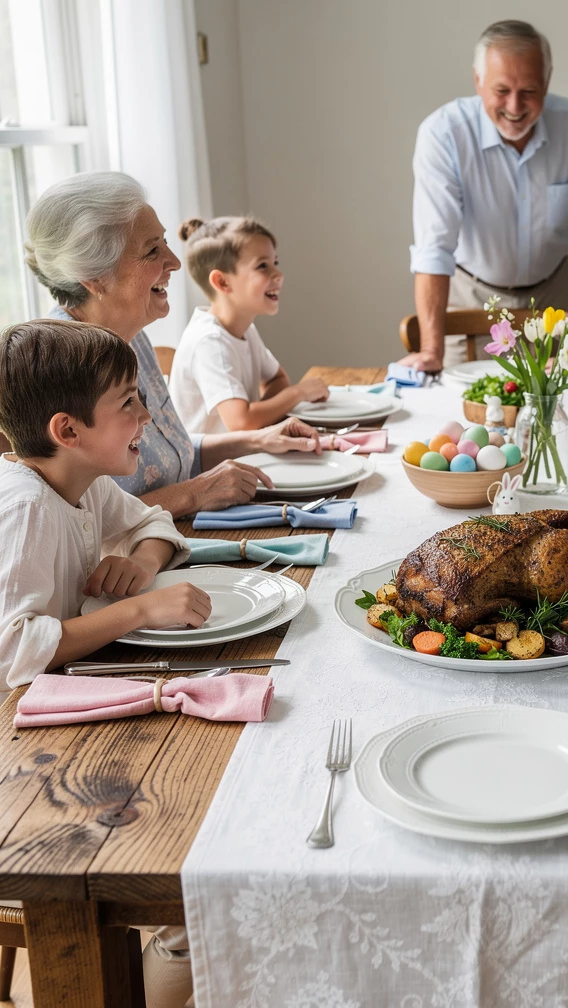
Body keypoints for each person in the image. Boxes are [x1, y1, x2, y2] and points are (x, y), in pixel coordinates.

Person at [0, 319, 204, 1008]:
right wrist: (139, 610)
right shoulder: (25, 508)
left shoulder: (80, 482)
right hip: (20, 759)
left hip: (64, 713)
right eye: (128, 403)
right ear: (68, 429)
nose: (146, 416)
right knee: (183, 858)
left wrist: (140, 560)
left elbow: (152, 522)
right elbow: (13, 649)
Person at [23, 172, 329, 518]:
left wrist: (259, 440)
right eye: (152, 250)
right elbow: (82, 523)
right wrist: (193, 494)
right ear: (95, 277)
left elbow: (170, 457)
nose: (175, 261)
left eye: (165, 242)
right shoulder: (62, 370)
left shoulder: (132, 336)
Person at [402, 19, 568, 372]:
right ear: (478, 80)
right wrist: (431, 349)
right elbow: (434, 249)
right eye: (501, 90)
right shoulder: (444, 134)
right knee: (467, 401)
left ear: (547, 81)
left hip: (554, 295)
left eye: (529, 91)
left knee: (557, 401)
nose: (515, 106)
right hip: (472, 296)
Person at [170, 216, 330, 434]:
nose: (278, 274)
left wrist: (260, 415)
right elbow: (241, 422)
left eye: (275, 263)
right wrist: (298, 393)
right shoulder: (210, 341)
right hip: (209, 457)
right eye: (262, 266)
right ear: (222, 282)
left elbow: (278, 379)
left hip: (246, 450)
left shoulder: (245, 329)